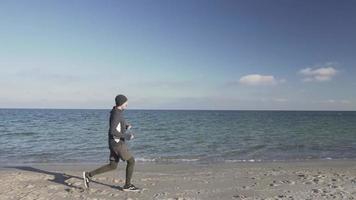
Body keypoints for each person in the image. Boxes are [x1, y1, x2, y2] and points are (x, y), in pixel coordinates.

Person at [83, 94, 140, 192]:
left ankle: (88, 175)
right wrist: (127, 136)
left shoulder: (117, 111)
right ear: (121, 103)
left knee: (113, 166)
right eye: (126, 102)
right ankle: (127, 185)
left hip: (113, 143)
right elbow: (112, 131)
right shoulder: (117, 114)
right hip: (117, 144)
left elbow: (117, 125)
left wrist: (125, 126)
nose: (127, 104)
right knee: (131, 161)